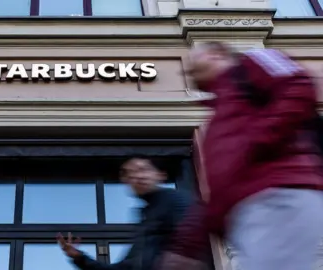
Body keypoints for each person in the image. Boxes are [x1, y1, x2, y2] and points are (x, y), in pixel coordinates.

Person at [162, 42, 323, 270]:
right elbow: (220, 190)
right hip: (251, 216)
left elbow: (299, 86)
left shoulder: (254, 61)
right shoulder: (219, 118)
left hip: (280, 198)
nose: (187, 69)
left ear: (215, 54)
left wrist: (257, 140)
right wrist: (188, 244)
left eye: (194, 59)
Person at [57, 157, 194, 270]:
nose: (138, 176)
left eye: (143, 170)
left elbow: (193, 233)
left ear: (160, 175)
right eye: (130, 174)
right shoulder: (145, 221)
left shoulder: (176, 200)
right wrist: (78, 257)